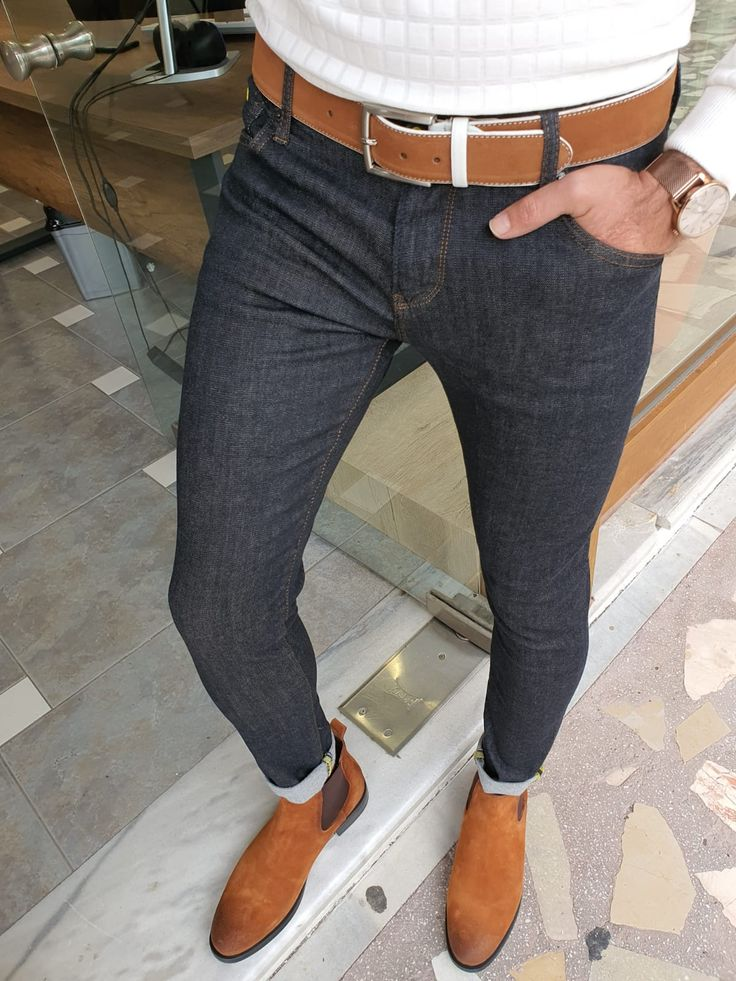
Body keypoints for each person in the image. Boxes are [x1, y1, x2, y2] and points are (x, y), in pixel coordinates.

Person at [167, 1, 736, 970]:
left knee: (535, 587)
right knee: (218, 597)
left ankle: (504, 789)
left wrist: (695, 166)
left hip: (570, 201)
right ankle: (315, 787)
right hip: (300, 178)